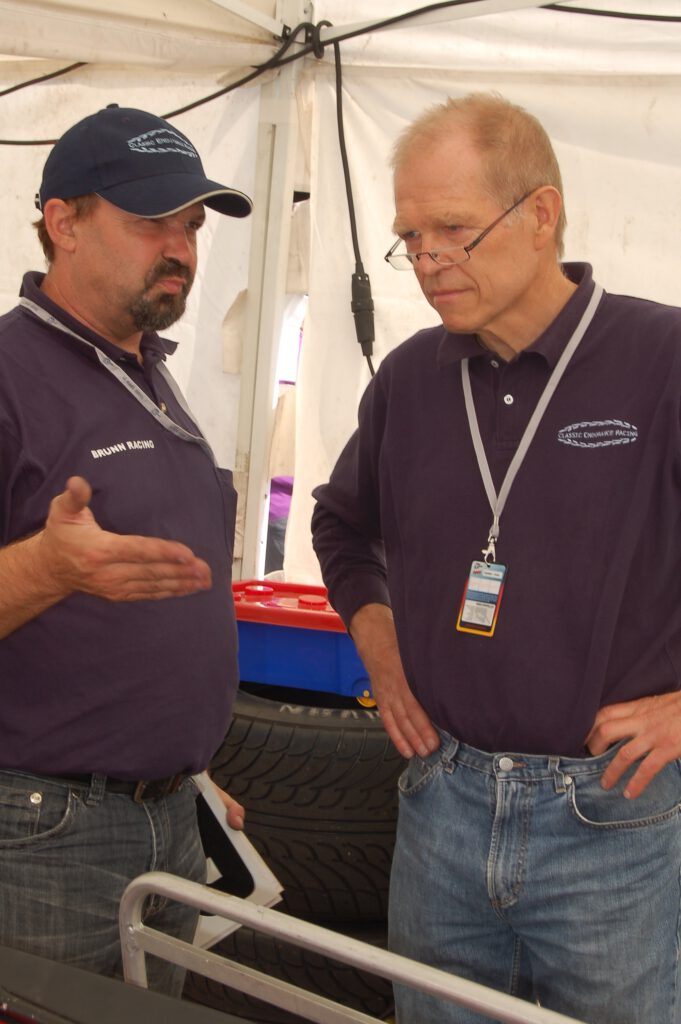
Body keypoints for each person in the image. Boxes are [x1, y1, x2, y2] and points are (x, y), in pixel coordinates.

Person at [311, 91, 681, 1024]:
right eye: (410, 236)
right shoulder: (408, 377)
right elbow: (342, 527)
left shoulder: (660, 359)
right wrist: (382, 649)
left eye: (454, 231)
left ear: (541, 213)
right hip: (443, 797)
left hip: (612, 816)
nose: (428, 263)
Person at [0, 104, 252, 995]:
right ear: (62, 223)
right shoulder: (10, 374)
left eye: (189, 224)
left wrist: (183, 765)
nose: (180, 244)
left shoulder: (147, 370)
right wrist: (46, 566)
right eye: (151, 221)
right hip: (43, 830)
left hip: (168, 817)